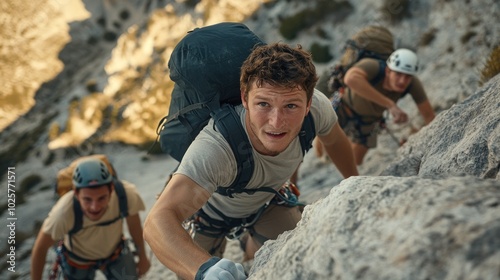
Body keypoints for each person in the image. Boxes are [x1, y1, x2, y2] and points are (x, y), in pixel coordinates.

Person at [143, 42, 358, 280]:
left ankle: (250, 244)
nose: (276, 122)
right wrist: (205, 269)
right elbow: (157, 220)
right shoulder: (217, 147)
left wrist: (356, 183)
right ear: (245, 99)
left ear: (308, 104)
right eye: (263, 104)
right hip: (207, 216)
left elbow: (335, 141)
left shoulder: (318, 109)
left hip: (266, 203)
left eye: (291, 106)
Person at [31, 158, 151, 280]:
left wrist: (143, 258)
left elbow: (134, 227)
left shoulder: (125, 195)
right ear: (76, 194)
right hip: (78, 260)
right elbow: (41, 247)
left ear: (111, 190)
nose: (95, 207)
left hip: (115, 252)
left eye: (102, 198)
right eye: (87, 200)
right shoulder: (63, 212)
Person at [316, 48, 435, 165]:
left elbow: (429, 117)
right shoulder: (373, 66)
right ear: (388, 71)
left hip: (371, 120)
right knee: (321, 151)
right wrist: (390, 104)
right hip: (344, 107)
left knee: (355, 161)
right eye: (398, 74)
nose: (402, 81)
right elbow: (350, 79)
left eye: (407, 76)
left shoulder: (413, 84)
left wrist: (414, 141)